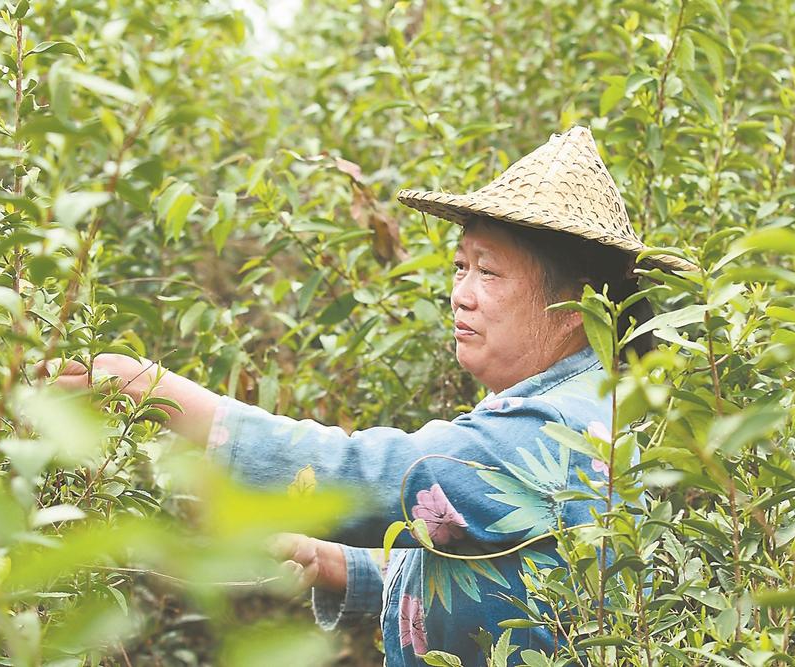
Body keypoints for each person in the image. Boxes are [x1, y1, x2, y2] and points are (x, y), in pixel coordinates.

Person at [48, 126, 696, 665]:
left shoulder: (551, 430)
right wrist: (342, 562)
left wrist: (151, 389)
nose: (461, 294)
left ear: (574, 306)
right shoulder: (586, 403)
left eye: (489, 271)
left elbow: (372, 474)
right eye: (460, 266)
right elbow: (488, 557)